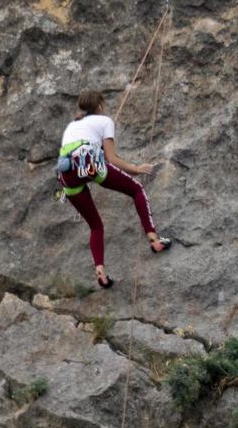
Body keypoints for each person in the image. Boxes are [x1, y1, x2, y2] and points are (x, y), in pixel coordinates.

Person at [57, 89, 170, 288]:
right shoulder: (105, 121)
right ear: (100, 106)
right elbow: (111, 158)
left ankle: (100, 271)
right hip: (89, 165)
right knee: (136, 189)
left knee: (96, 226)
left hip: (67, 174)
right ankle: (154, 239)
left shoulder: (72, 126)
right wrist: (135, 169)